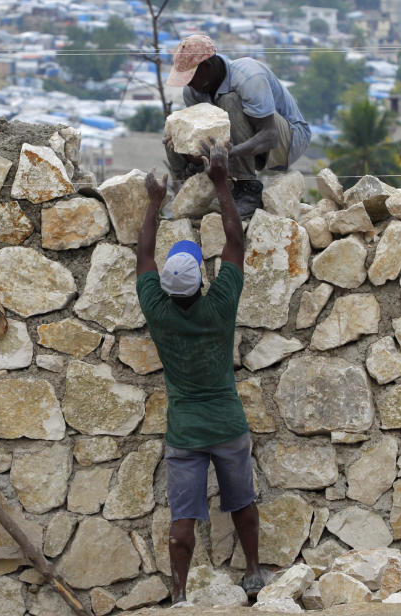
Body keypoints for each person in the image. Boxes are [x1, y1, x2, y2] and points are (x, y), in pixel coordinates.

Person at [136, 140, 263, 605]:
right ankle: (253, 573)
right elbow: (235, 241)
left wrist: (153, 202)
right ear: (201, 282)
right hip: (227, 424)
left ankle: (179, 593)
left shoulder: (158, 311)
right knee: (243, 505)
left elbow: (144, 255)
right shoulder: (221, 306)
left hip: (185, 432)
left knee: (182, 520)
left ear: (169, 290)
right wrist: (221, 182)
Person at [163, 34, 311, 218]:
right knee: (176, 135)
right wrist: (187, 151)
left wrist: (231, 152)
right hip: (246, 143)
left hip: (287, 140)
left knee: (229, 100)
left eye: (191, 78)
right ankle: (200, 188)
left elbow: (270, 135)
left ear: (207, 66)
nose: (189, 85)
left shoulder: (248, 77)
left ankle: (248, 188)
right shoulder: (193, 92)